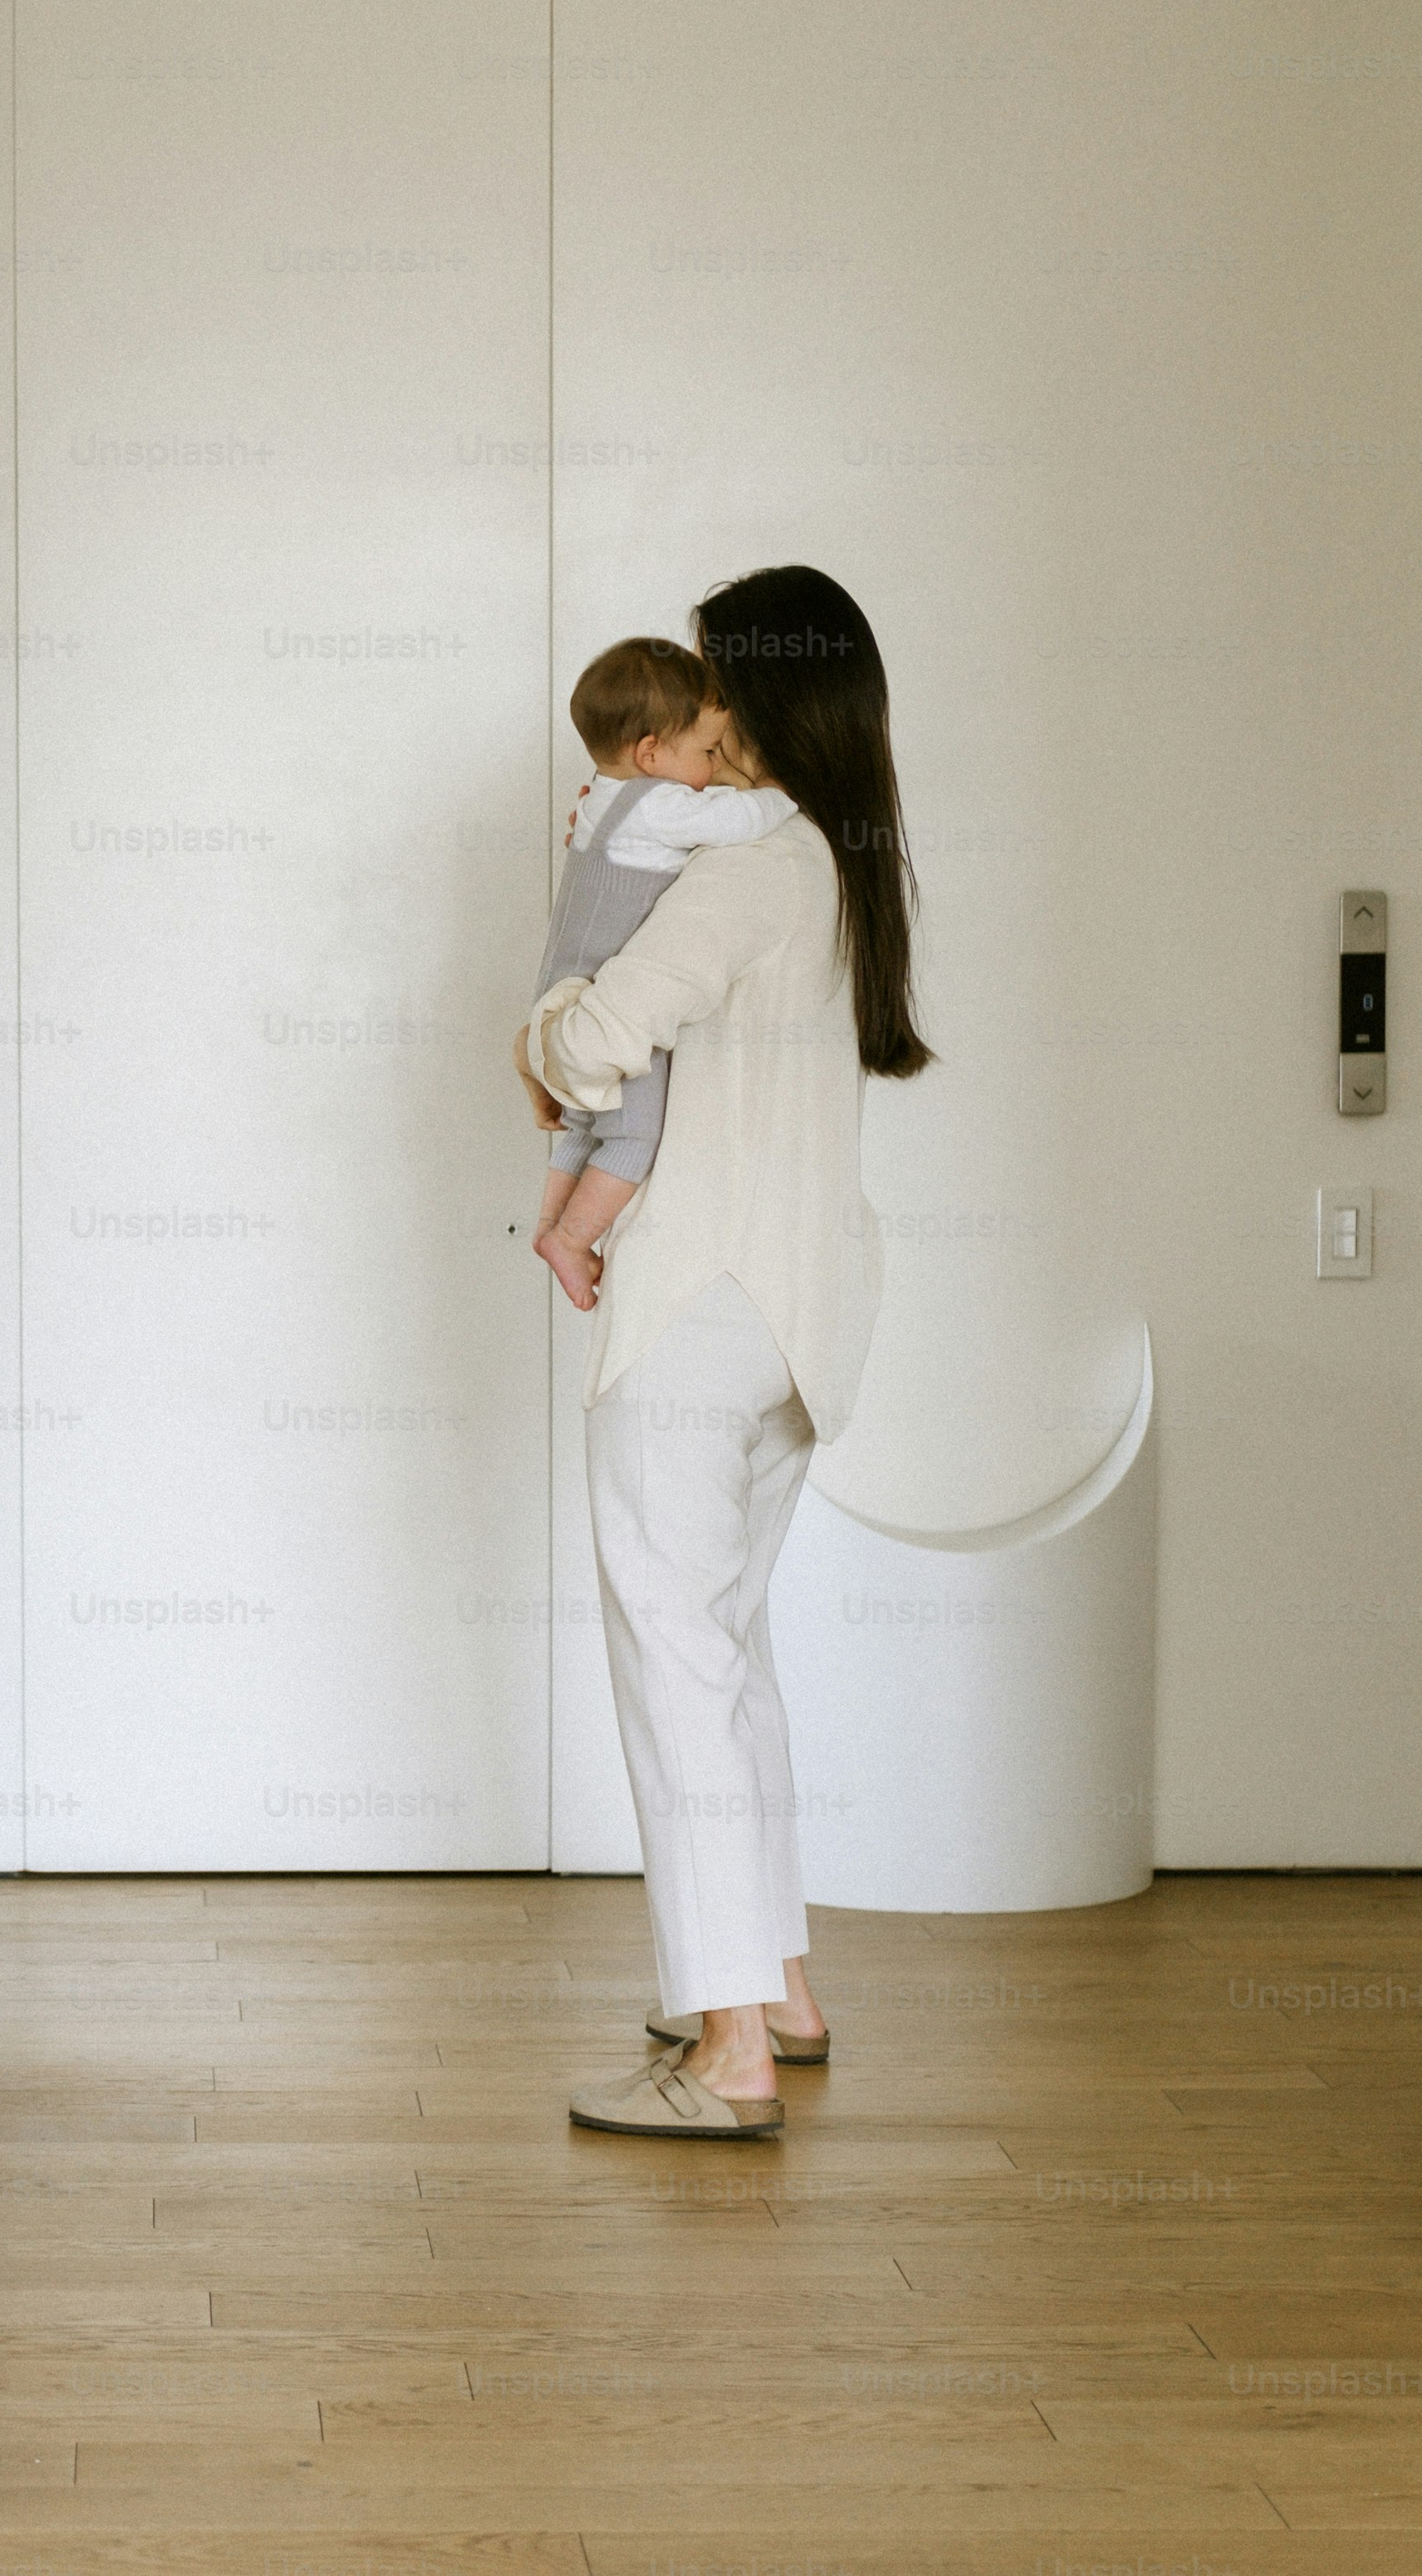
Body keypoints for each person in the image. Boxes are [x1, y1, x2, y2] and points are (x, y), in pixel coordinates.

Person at [514, 565, 933, 2140]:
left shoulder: (742, 871)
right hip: (804, 1311)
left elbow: (594, 1035)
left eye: (709, 681)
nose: (694, 709)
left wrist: (532, 1034)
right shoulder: (836, 861)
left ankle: (728, 2050)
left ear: (757, 697)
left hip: (699, 1303)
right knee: (729, 1648)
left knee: (673, 1659)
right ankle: (781, 1991)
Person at [530, 637, 800, 1312]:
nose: (713, 768)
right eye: (707, 752)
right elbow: (742, 819)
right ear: (650, 754)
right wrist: (780, 791)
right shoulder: (658, 806)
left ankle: (550, 1226)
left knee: (584, 1125)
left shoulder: (603, 799)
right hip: (605, 1006)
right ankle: (570, 1238)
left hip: (564, 993)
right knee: (634, 1135)